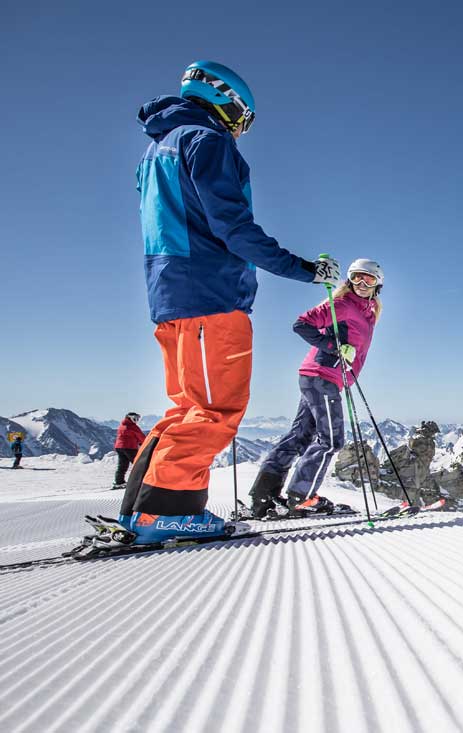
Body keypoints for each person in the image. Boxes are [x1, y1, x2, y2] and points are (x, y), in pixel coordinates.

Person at [120, 60, 341, 545]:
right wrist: (305, 269)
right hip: (211, 295)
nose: (242, 129)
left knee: (186, 408)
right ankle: (166, 514)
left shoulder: (156, 151)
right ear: (228, 102)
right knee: (216, 409)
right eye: (244, 117)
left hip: (170, 296)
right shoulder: (207, 141)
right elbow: (234, 229)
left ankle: (140, 509)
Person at [249, 259, 384, 518]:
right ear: (349, 279)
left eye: (368, 279)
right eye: (356, 277)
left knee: (300, 435)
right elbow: (301, 324)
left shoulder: (368, 313)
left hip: (322, 377)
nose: (362, 283)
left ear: (378, 284)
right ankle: (302, 496)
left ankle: (263, 495)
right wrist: (334, 347)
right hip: (322, 375)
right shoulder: (342, 305)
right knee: (332, 439)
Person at [112, 412, 146, 489]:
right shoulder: (133, 427)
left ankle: (119, 482)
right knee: (139, 464)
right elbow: (141, 436)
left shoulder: (121, 425)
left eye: (137, 419)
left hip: (119, 447)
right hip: (130, 447)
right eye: (135, 418)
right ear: (129, 418)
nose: (136, 420)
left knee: (122, 465)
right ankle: (140, 481)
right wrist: (145, 444)